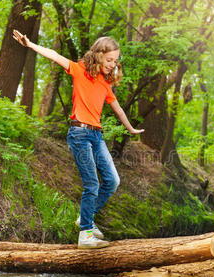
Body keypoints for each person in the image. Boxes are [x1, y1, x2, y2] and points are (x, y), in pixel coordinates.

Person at [13, 29, 144, 249]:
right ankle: (85, 234)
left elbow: (118, 109)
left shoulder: (105, 83)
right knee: (92, 183)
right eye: (109, 59)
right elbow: (54, 55)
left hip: (96, 135)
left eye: (116, 61)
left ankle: (86, 219)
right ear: (99, 54)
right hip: (79, 134)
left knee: (113, 181)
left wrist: (131, 129)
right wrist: (30, 44)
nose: (113, 64)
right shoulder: (79, 69)